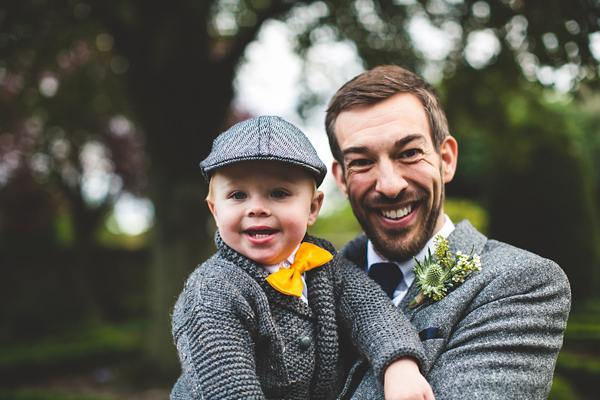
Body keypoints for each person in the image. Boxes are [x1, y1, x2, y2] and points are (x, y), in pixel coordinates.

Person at [325, 65, 571, 399]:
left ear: (446, 159)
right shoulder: (311, 282)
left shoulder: (523, 283)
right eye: (362, 162)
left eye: (409, 153)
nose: (390, 185)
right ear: (341, 179)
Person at [171, 115, 436, 399]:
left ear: (312, 208)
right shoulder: (212, 291)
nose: (257, 208)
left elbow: (371, 312)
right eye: (238, 195)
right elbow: (227, 386)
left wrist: (399, 365)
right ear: (215, 210)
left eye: (278, 193)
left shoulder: (323, 264)